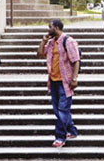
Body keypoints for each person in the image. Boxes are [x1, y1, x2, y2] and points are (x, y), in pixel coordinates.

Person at [37, 19, 80, 148]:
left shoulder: (68, 41)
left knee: (62, 110)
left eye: (49, 27)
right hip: (53, 81)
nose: (48, 29)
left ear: (55, 28)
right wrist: (43, 40)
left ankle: (60, 137)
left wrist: (74, 78)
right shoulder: (50, 43)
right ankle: (71, 130)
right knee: (58, 110)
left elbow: (76, 60)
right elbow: (39, 54)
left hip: (65, 81)